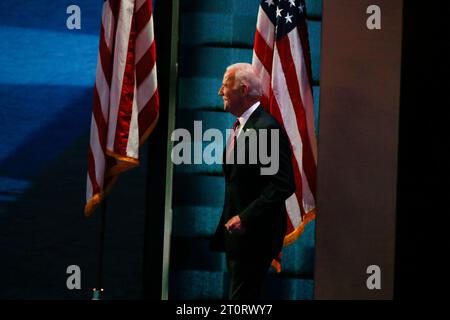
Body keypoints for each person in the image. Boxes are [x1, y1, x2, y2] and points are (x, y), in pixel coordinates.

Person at [210, 63, 296, 300]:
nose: (220, 92)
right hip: (238, 238)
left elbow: (283, 183)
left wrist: (245, 217)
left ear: (244, 89)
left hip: (255, 236)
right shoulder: (242, 126)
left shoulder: (266, 128)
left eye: (225, 85)